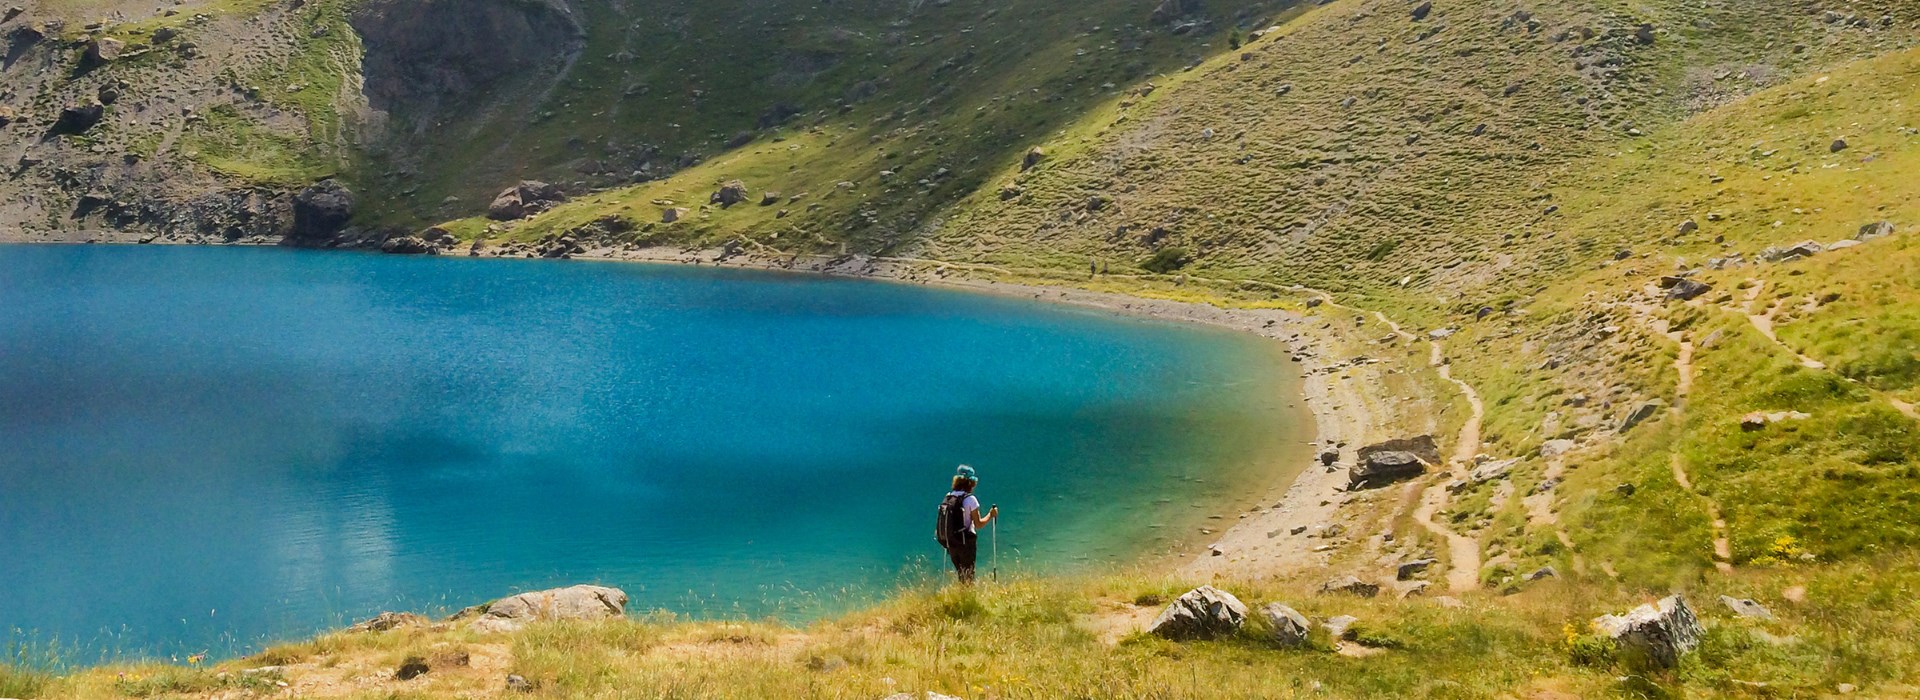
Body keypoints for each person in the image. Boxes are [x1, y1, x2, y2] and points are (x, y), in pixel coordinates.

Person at [939, 465, 998, 583]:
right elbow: (978, 524)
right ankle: (967, 598)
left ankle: (962, 597)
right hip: (966, 542)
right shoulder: (970, 499)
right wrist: (991, 515)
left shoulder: (949, 497)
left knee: (961, 574)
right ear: (971, 482)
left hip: (951, 542)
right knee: (969, 575)